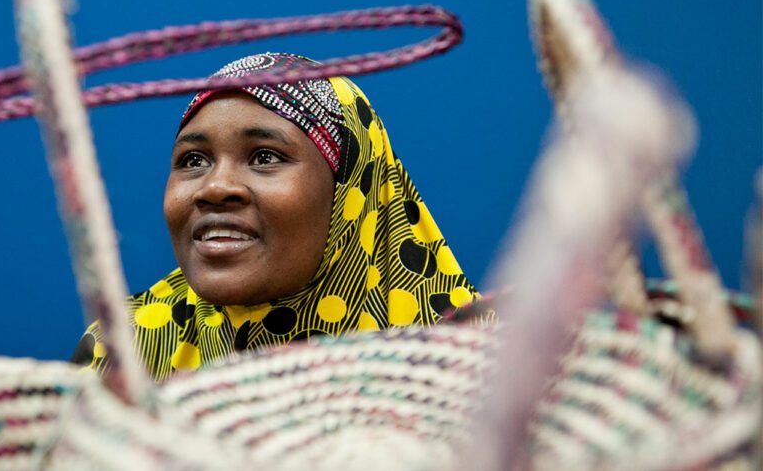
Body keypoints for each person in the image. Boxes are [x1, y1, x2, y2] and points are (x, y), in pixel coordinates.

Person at [73, 53, 480, 381]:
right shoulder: (119, 355)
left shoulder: (482, 370)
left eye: (265, 157)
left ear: (348, 193)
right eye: (193, 160)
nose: (215, 188)